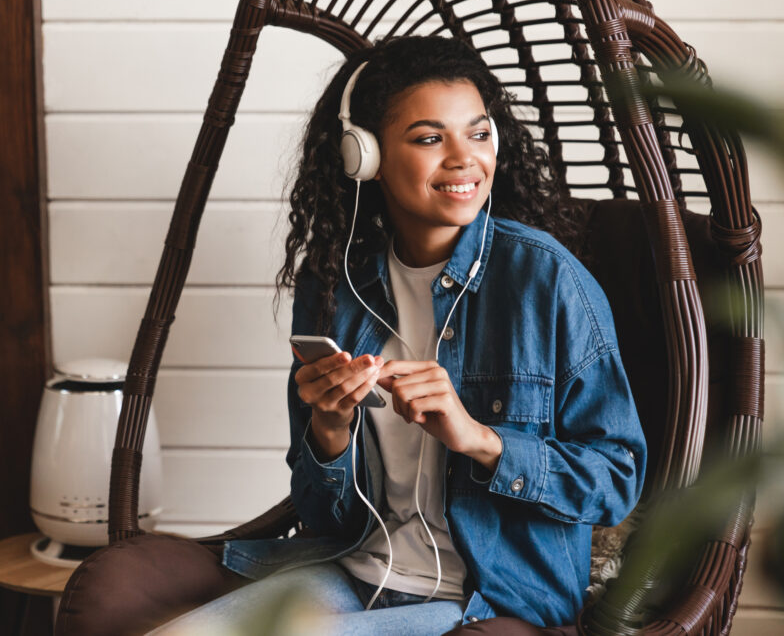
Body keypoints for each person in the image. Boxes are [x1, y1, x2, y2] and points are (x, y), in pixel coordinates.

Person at [153, 35, 646, 635]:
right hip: (352, 572)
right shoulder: (336, 286)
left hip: (484, 598)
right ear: (365, 155)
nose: (465, 158)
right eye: (430, 138)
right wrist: (329, 432)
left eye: (480, 132)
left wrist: (479, 438)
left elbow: (616, 479)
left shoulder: (548, 282)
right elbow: (319, 513)